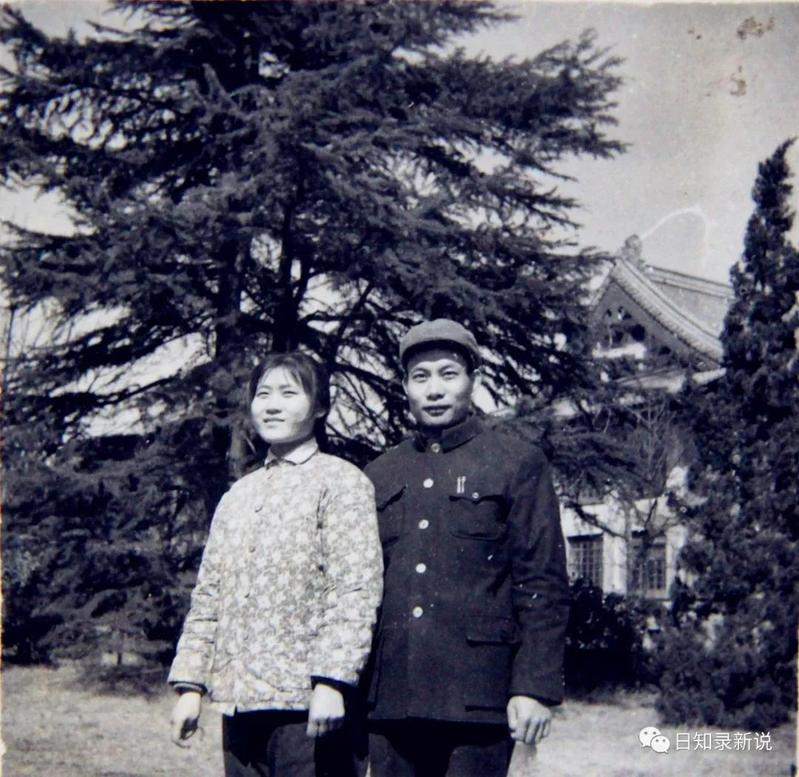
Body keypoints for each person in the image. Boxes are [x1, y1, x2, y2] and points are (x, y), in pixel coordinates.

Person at [364, 319, 570, 777]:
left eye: (448, 373)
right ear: (405, 386)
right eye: (421, 377)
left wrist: (534, 686)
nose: (434, 389)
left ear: (472, 380)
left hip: (479, 696)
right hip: (392, 696)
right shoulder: (379, 473)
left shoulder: (516, 462)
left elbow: (542, 580)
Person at [168, 351, 383, 777]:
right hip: (240, 706)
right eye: (263, 394)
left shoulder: (342, 483)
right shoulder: (237, 497)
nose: (272, 405)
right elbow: (209, 597)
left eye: (288, 393)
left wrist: (332, 682)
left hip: (310, 711)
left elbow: (355, 590)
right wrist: (191, 686)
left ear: (320, 407)